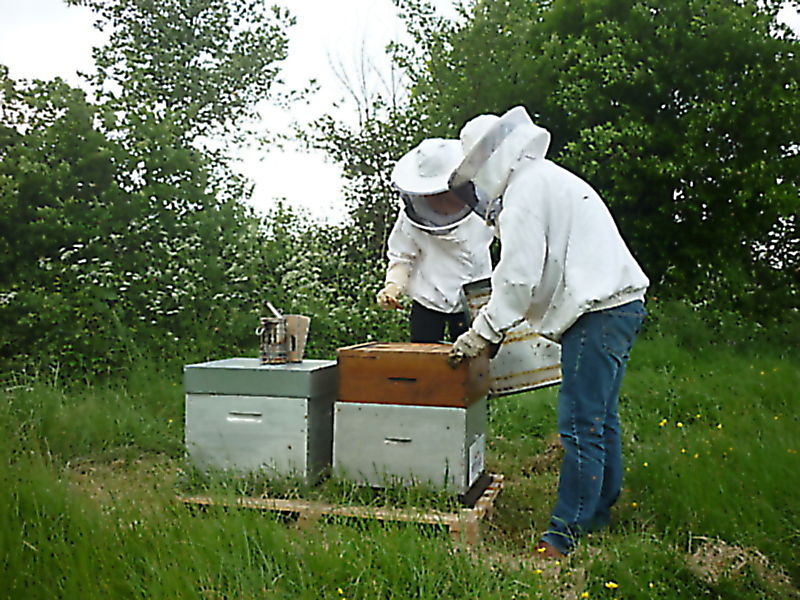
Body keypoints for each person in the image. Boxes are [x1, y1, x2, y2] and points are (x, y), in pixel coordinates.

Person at [446, 106, 650, 557]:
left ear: (491, 159)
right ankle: (597, 515)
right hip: (618, 305)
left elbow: (518, 278)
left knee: (580, 424)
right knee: (600, 419)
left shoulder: (525, 192)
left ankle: (562, 536)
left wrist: (482, 333)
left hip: (597, 312)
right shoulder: (546, 179)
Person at [376, 138, 494, 343]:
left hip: (479, 302)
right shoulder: (410, 217)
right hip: (428, 305)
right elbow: (402, 257)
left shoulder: (484, 208)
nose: (437, 200)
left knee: (478, 368)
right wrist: (393, 287)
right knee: (425, 369)